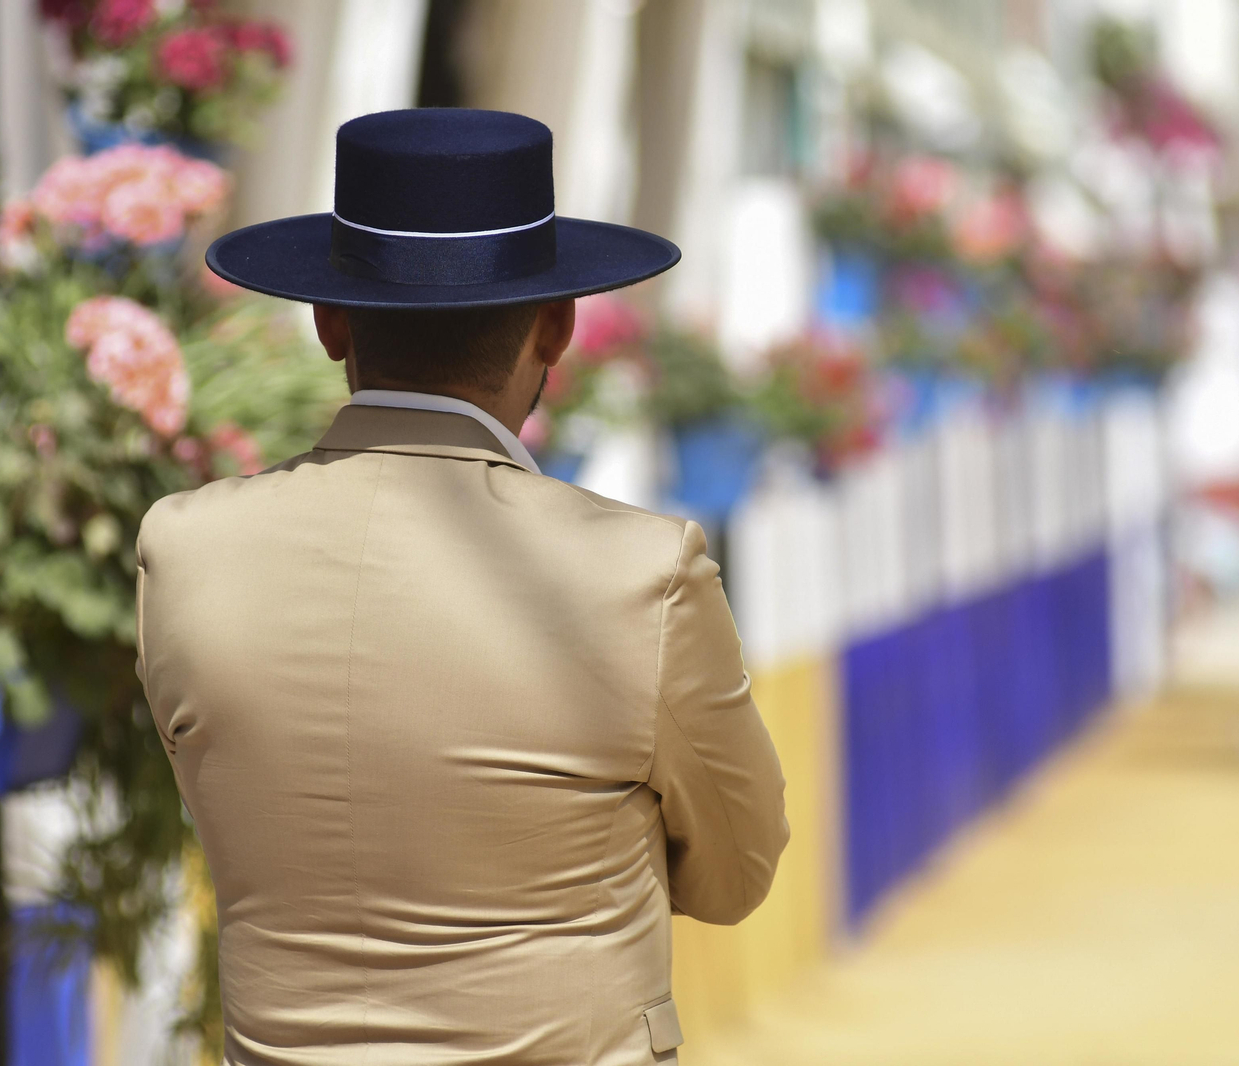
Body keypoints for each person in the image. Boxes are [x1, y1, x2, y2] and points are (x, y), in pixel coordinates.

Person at [135, 108, 788, 1066]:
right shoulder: (643, 576)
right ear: (557, 327)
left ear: (328, 321)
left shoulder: (185, 549)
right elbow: (737, 874)